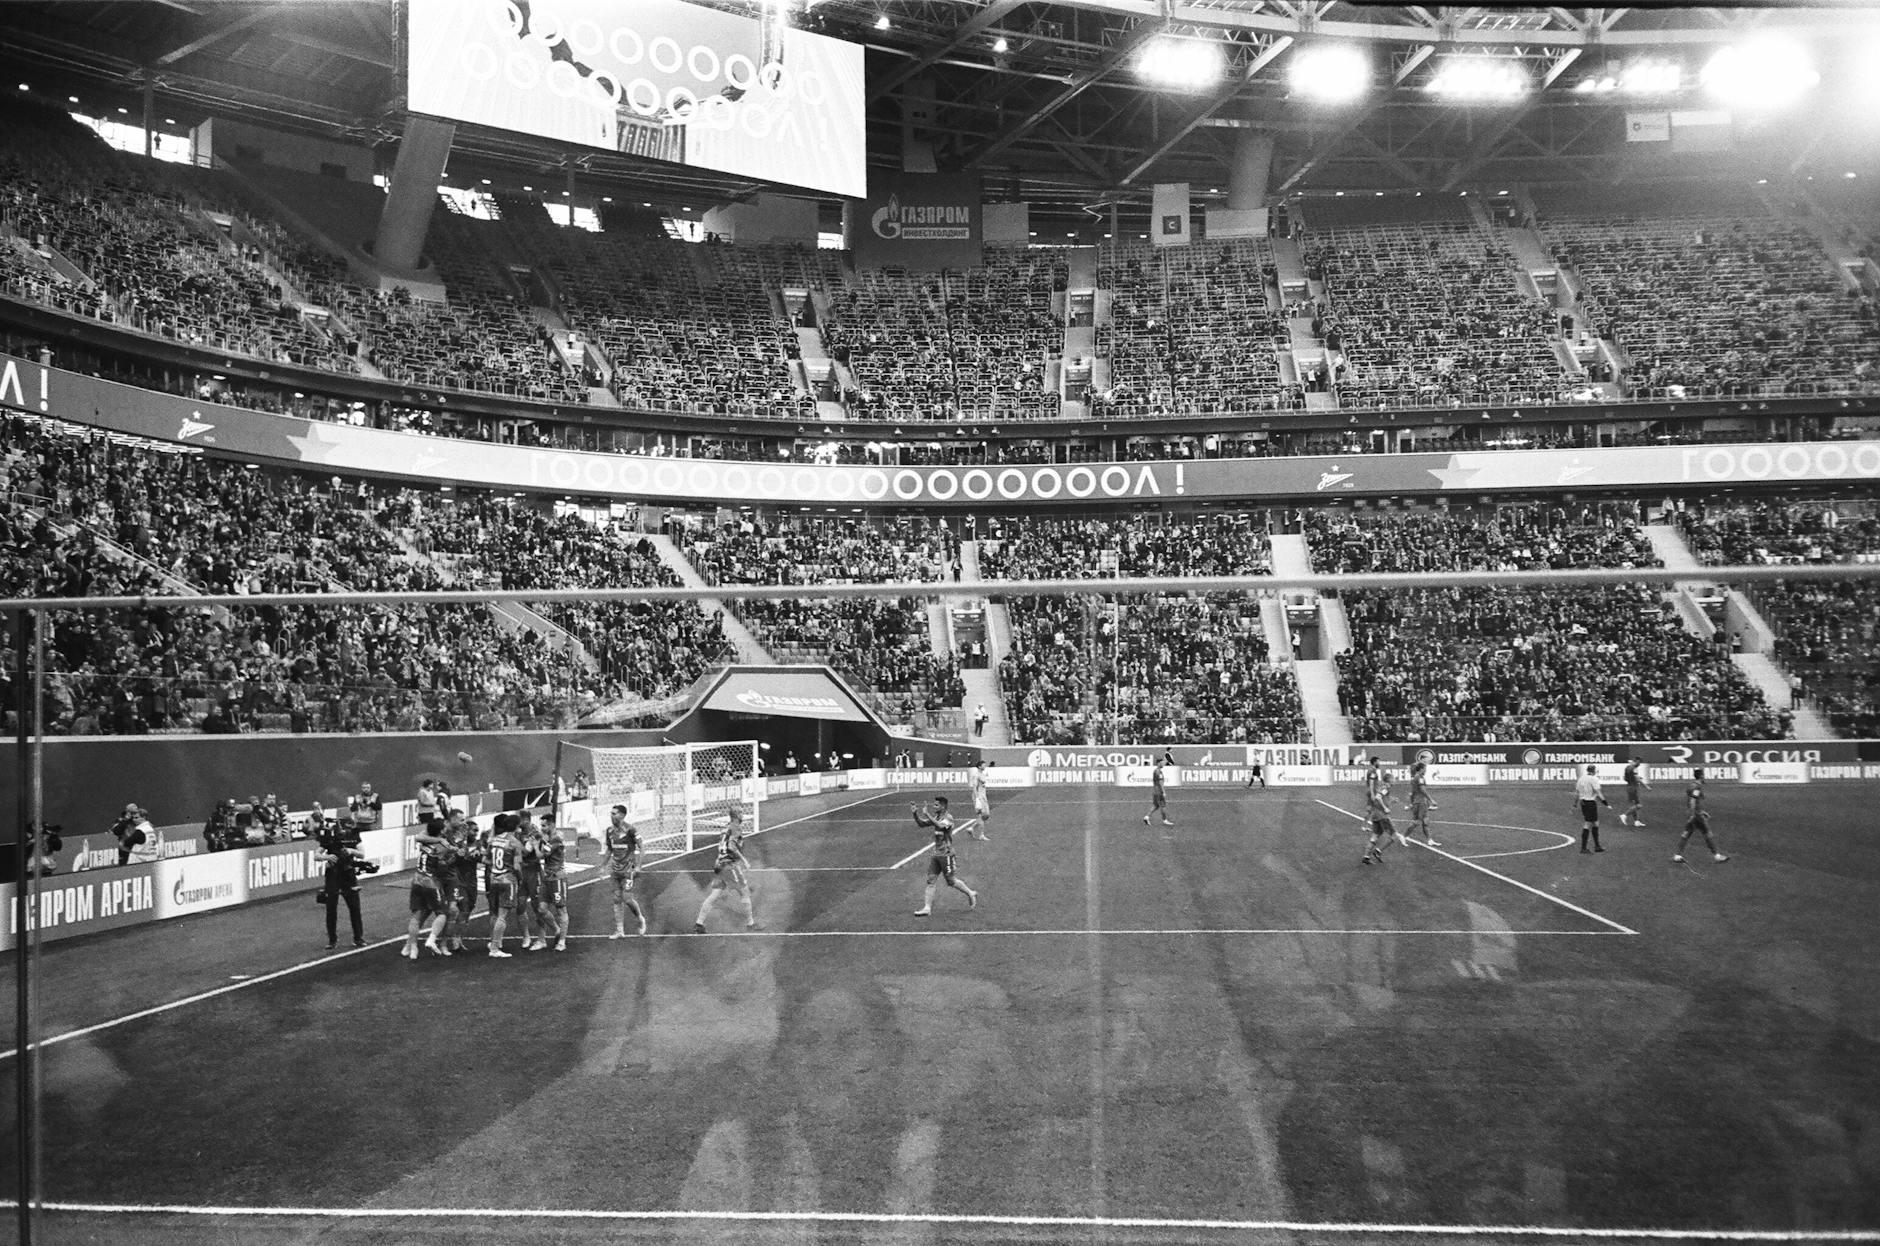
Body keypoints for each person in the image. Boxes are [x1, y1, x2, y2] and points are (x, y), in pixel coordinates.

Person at [911, 796, 977, 917]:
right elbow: (921, 824)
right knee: (931, 881)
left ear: (943, 806)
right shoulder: (936, 817)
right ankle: (927, 908)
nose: (934, 806)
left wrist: (927, 814)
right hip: (936, 854)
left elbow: (941, 826)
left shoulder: (948, 818)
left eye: (936, 805)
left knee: (951, 881)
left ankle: (970, 892)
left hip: (946, 854)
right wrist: (915, 813)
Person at [694, 807, 757, 933]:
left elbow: (722, 846)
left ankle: (699, 924)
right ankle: (751, 924)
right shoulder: (736, 828)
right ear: (736, 816)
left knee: (714, 895)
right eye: (741, 813)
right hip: (729, 865)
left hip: (720, 865)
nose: (742, 815)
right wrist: (744, 861)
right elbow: (731, 846)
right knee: (744, 893)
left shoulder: (725, 829)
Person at [316, 815, 368, 950]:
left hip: (348, 874)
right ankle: (332, 940)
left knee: (354, 907)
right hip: (333, 875)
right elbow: (316, 855)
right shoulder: (330, 838)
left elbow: (362, 854)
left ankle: (358, 938)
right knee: (331, 907)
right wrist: (326, 857)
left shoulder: (354, 837)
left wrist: (351, 851)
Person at [402, 822, 452, 959]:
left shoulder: (424, 839)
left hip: (417, 879)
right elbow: (447, 859)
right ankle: (431, 939)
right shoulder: (442, 846)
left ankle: (412, 948)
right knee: (442, 913)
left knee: (416, 916)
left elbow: (419, 837)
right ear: (441, 831)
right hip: (430, 882)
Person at [483, 813, 525, 958]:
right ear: (517, 827)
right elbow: (517, 866)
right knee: (502, 916)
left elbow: (485, 860)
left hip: (494, 879)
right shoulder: (514, 843)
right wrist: (520, 879)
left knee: (494, 913)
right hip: (508, 880)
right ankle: (494, 948)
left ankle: (495, 941)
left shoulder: (494, 840)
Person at [604, 804, 648, 938]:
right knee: (616, 899)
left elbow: (641, 848)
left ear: (622, 815)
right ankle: (619, 930)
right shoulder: (609, 831)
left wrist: (639, 866)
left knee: (627, 899)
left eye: (614, 813)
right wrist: (603, 865)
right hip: (615, 870)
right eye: (611, 813)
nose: (611, 816)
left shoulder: (631, 830)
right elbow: (609, 850)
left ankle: (640, 918)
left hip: (628, 869)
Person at [1673, 768, 1730, 864]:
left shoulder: (1691, 785)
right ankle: (1717, 856)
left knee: (1686, 834)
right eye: (1704, 775)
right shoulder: (1697, 787)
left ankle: (1677, 855)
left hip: (1695, 813)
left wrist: (1701, 811)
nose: (1705, 777)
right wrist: (1694, 814)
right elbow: (1693, 800)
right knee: (1708, 834)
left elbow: (1692, 800)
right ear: (1701, 776)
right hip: (1696, 816)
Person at [445, 811, 482, 953]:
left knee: (469, 909)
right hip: (460, 881)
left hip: (472, 881)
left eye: (476, 830)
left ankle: (458, 937)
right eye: (473, 830)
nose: (475, 833)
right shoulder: (458, 843)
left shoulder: (477, 845)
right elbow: (453, 859)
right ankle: (453, 938)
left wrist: (478, 855)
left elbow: (480, 857)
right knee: (463, 908)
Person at [536, 814, 571, 952]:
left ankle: (562, 941)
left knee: (561, 910)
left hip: (557, 878)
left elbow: (541, 855)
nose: (542, 828)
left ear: (550, 825)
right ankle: (557, 929)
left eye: (544, 825)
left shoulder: (556, 838)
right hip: (547, 878)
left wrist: (535, 845)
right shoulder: (550, 837)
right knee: (542, 909)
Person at [1360, 757, 1400, 865]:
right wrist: (1385, 808)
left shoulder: (1384, 788)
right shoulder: (1385, 787)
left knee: (1376, 835)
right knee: (1394, 836)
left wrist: (1392, 800)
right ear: (1389, 780)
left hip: (1375, 815)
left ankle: (1366, 856)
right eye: (1393, 778)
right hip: (1382, 816)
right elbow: (1378, 797)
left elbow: (1382, 797)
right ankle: (1378, 851)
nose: (1395, 780)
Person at [1575, 764, 1611, 854]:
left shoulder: (1581, 778)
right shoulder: (1594, 779)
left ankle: (1597, 846)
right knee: (1588, 824)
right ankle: (1583, 848)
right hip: (1590, 803)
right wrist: (1606, 803)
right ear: (1594, 770)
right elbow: (1598, 792)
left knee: (1595, 823)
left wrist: (1575, 804)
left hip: (1583, 802)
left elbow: (1577, 793)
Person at [1406, 760, 1440, 846]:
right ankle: (1404, 836)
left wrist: (1411, 803)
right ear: (1421, 769)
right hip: (1420, 802)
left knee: (1425, 821)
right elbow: (1422, 790)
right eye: (1425, 769)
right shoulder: (1420, 778)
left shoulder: (1415, 778)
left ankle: (1430, 840)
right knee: (1417, 822)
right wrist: (1431, 800)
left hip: (1420, 802)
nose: (1426, 770)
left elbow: (1412, 793)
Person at [1142, 751, 1175, 827]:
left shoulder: (1155, 771)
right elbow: (1160, 783)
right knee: (1163, 805)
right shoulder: (1158, 772)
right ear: (1158, 763)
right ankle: (1165, 820)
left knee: (1156, 805)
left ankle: (1146, 817)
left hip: (1155, 791)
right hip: (1159, 792)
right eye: (1162, 763)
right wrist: (1163, 792)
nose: (1163, 764)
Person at [964, 761, 994, 841]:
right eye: (983, 765)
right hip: (979, 797)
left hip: (983, 796)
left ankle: (971, 828)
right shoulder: (976, 775)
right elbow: (974, 787)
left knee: (986, 815)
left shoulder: (983, 775)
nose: (985, 766)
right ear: (979, 766)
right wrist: (977, 799)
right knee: (981, 815)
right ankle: (981, 835)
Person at [1620, 758, 1650, 827]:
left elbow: (1624, 778)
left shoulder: (1627, 768)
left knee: (1634, 804)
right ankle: (1624, 815)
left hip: (1629, 787)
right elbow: (1637, 779)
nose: (1639, 765)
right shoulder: (1634, 768)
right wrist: (1646, 786)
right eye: (1639, 763)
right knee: (1639, 805)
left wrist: (1632, 779)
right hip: (1634, 788)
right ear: (1636, 762)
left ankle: (1636, 821)